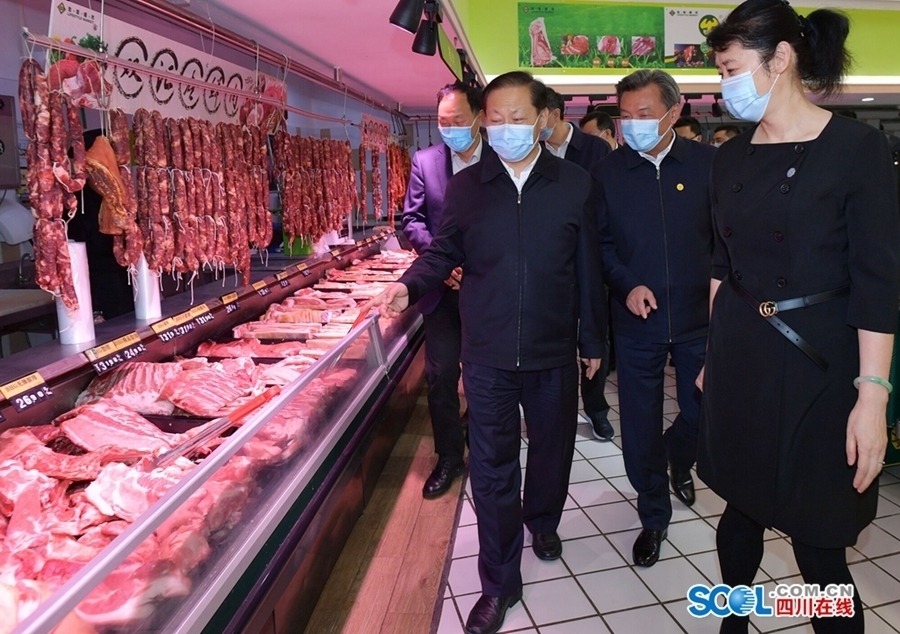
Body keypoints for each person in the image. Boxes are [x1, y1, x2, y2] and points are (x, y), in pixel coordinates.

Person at [366, 71, 607, 634]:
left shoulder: (574, 184)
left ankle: (542, 519)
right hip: (487, 354)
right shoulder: (469, 187)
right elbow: (441, 251)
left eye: (516, 117)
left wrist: (593, 340)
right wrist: (408, 286)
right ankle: (499, 583)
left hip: (551, 351)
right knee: (493, 468)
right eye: (494, 118)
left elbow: (589, 269)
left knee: (552, 451)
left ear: (543, 118)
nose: (504, 128)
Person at [697, 1, 900, 632]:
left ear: (780, 58)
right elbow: (720, 264)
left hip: (819, 366)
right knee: (739, 514)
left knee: (820, 545)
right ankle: (734, 617)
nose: (724, 85)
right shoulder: (728, 158)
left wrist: (873, 396)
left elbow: (877, 283)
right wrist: (710, 357)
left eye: (732, 69)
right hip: (740, 359)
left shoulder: (856, 149)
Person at [592, 69, 715, 567]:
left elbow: (727, 243)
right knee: (639, 424)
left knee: (704, 411)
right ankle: (653, 514)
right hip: (636, 323)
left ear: (675, 109)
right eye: (626, 116)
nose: (634, 124)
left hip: (699, 318)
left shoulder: (709, 165)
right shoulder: (607, 173)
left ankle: (678, 457)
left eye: (645, 113)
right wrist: (627, 284)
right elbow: (600, 245)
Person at [401, 81, 485, 500]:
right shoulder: (425, 161)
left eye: (458, 120)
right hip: (441, 290)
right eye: (443, 122)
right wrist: (442, 259)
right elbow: (411, 220)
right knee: (440, 377)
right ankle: (449, 456)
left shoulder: (500, 159)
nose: (450, 129)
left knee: (485, 376)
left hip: (486, 289)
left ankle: (484, 451)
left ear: (479, 118)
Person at [542, 88, 615, 441]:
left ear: (555, 114)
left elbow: (606, 203)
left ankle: (597, 409)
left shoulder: (594, 149)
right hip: (551, 261)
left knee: (594, 337)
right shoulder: (533, 150)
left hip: (590, 255)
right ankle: (554, 411)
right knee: (553, 338)